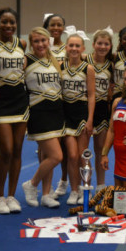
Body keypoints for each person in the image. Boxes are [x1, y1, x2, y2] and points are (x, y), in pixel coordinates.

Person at [0, 8, 29, 214]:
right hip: (1, 101)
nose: (9, 26)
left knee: (18, 149)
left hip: (20, 100)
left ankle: (12, 195)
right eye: (4, 22)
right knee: (6, 149)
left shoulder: (21, 44)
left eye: (12, 22)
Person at [21, 27, 65, 208]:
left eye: (43, 40)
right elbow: (14, 80)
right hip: (39, 111)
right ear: (31, 44)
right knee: (56, 156)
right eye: (36, 41)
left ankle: (46, 194)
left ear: (49, 42)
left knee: (46, 155)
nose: (40, 44)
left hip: (56, 110)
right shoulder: (27, 60)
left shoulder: (53, 61)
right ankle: (31, 184)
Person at [60, 33, 95, 205]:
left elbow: (91, 95)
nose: (74, 49)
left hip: (81, 114)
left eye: (77, 46)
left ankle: (86, 187)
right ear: (66, 48)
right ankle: (73, 190)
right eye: (70, 45)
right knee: (72, 156)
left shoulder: (88, 68)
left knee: (83, 156)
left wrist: (90, 120)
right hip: (66, 115)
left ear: (83, 49)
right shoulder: (60, 66)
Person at [43, 14, 70, 198]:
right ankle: (47, 187)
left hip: (66, 100)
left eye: (59, 25)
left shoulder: (69, 47)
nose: (56, 28)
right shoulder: (41, 46)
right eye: (52, 25)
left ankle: (64, 180)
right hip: (47, 102)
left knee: (66, 147)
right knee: (48, 148)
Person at [89, 29, 114, 192]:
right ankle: (83, 184)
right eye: (99, 43)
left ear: (110, 46)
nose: (102, 46)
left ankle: (100, 185)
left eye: (106, 44)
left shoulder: (111, 65)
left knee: (100, 149)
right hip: (84, 107)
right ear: (93, 44)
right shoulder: (86, 60)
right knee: (83, 151)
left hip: (103, 108)